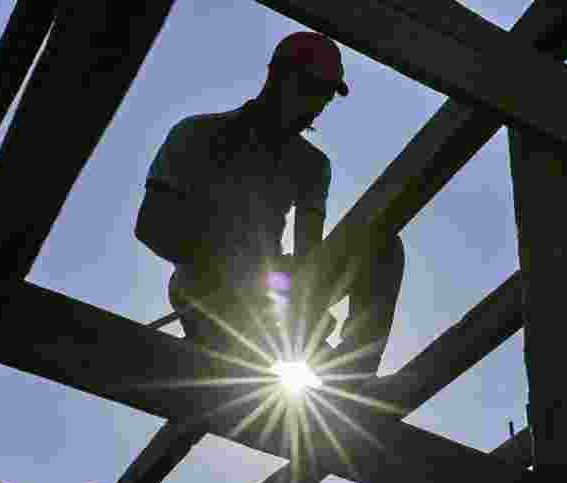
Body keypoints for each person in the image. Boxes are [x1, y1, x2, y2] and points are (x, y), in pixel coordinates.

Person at [135, 31, 404, 391]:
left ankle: (353, 378)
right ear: (278, 76)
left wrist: (304, 301)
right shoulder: (199, 134)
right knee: (242, 315)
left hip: (272, 294)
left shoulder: (310, 165)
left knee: (381, 248)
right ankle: (250, 347)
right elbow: (152, 225)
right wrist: (238, 268)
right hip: (206, 293)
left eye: (326, 95)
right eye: (312, 89)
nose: (318, 105)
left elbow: (311, 255)